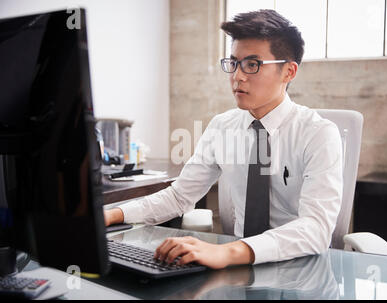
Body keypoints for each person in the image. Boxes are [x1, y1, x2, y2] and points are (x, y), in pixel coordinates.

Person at [104, 9, 343, 269]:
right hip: (237, 267)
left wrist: (227, 252)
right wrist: (113, 214)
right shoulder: (222, 126)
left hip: (300, 273)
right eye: (234, 63)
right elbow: (178, 197)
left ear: (289, 72)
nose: (237, 76)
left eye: (252, 65)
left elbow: (316, 229)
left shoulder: (319, 134)